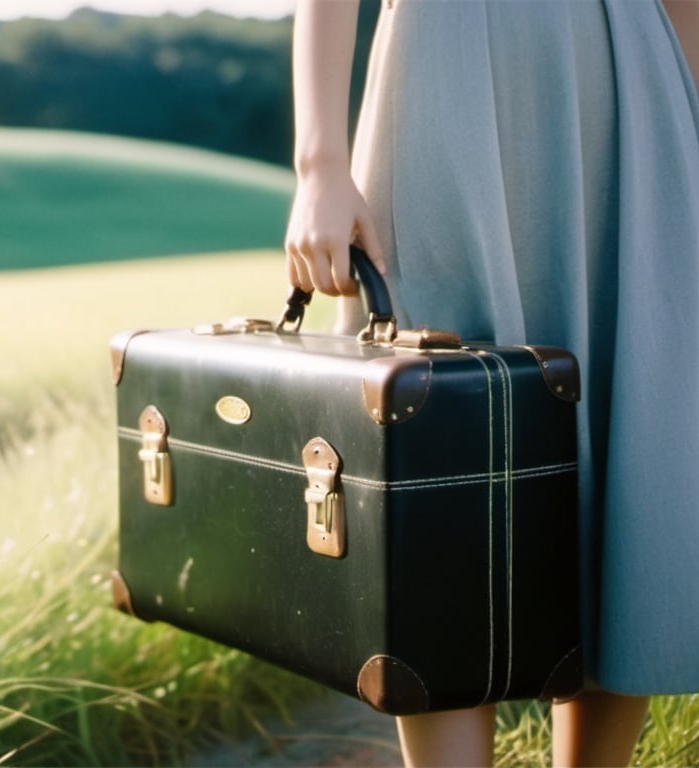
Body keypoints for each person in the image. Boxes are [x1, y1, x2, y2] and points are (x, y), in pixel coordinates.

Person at [284, 1, 699, 766]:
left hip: (640, 77)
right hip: (443, 72)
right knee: (439, 459)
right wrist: (320, 165)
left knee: (624, 424)